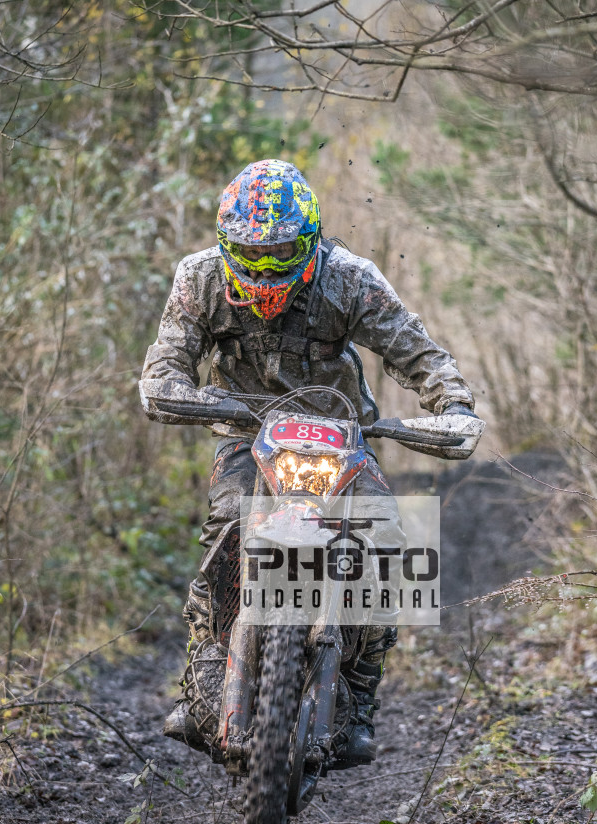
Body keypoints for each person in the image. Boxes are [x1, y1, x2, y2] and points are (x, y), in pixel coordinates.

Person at [141, 158, 477, 766]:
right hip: (248, 435)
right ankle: (201, 678)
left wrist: (451, 403)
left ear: (313, 237)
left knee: (393, 543)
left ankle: (362, 696)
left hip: (341, 437)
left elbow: (417, 350)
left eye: (282, 253)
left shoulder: (350, 280)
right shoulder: (200, 280)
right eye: (251, 253)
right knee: (225, 527)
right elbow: (164, 365)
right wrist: (183, 394)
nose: (266, 267)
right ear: (225, 244)